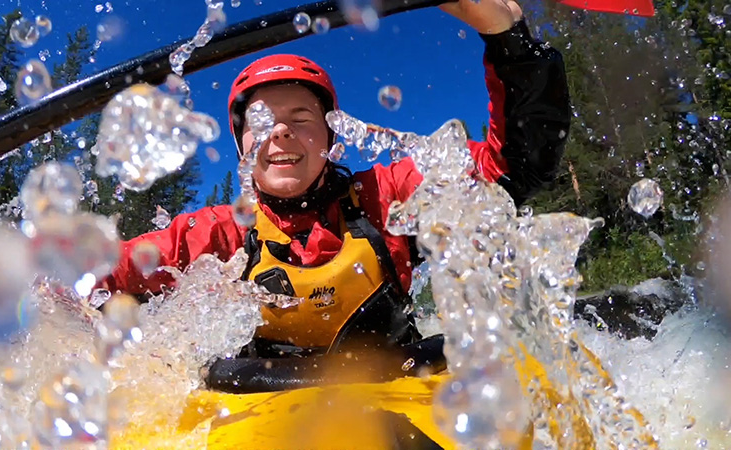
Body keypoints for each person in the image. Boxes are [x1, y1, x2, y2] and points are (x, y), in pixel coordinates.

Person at [101, 0, 570, 393]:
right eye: (261, 122)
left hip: (400, 387)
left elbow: (513, 169)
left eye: (301, 118)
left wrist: (507, 37)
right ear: (242, 143)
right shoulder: (215, 236)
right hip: (262, 410)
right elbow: (90, 276)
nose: (281, 131)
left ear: (331, 135)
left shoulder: (386, 197)